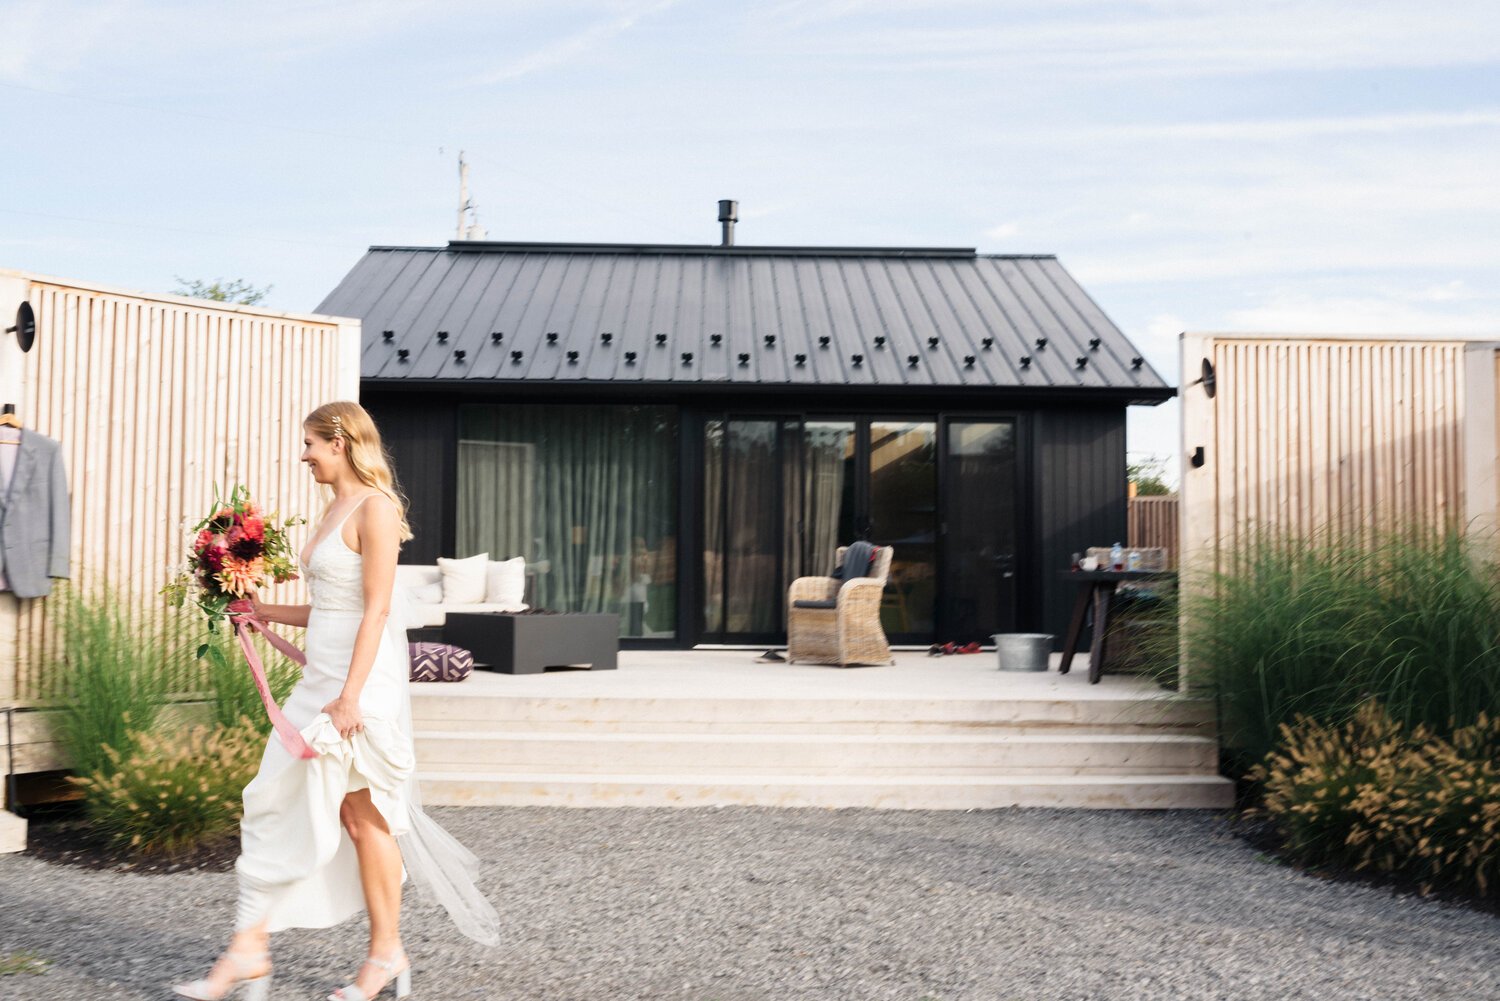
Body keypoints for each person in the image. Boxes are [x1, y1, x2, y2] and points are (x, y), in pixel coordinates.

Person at [173, 401, 499, 1001]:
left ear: (340, 443)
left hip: (357, 689)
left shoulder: (376, 508)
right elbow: (332, 607)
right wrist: (263, 611)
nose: (303, 456)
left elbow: (376, 608)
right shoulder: (332, 509)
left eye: (309, 444)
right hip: (320, 684)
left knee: (362, 816)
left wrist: (350, 697)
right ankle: (256, 950)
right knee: (284, 801)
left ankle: (369, 954)